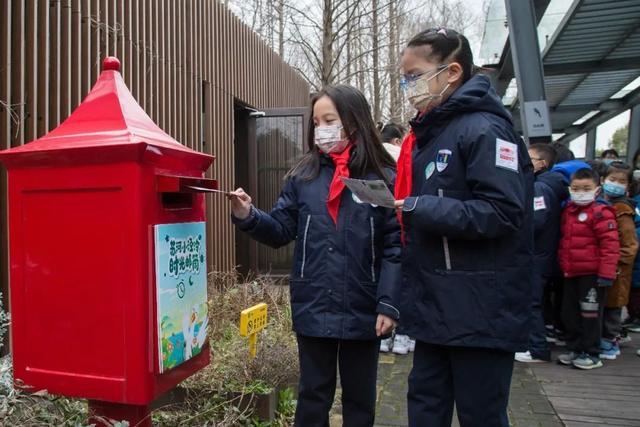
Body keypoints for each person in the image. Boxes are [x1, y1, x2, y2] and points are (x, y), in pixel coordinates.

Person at [229, 85, 401, 427]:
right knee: (313, 395)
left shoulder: (382, 177)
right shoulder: (302, 176)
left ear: (353, 122)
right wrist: (248, 215)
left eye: (330, 120)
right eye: (317, 122)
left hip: (363, 305)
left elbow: (395, 246)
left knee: (360, 399)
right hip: (314, 301)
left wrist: (388, 303)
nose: (322, 129)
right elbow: (280, 229)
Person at [393, 27, 533, 426]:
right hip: (437, 305)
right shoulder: (434, 132)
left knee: (481, 414)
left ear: (452, 72)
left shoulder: (485, 130)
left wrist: (421, 208)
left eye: (415, 75)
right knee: (424, 406)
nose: (408, 86)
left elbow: (504, 211)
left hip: (481, 310)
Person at [557, 168, 620, 370]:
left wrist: (606, 274)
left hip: (592, 275)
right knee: (570, 313)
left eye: (586, 188)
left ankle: (592, 352)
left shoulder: (602, 212)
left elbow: (610, 246)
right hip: (571, 272)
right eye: (576, 188)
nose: (580, 192)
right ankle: (574, 348)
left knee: (590, 314)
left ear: (597, 189)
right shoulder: (568, 210)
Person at [515, 143, 568, 363]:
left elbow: (534, 221)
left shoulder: (540, 188)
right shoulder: (548, 185)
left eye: (529, 158)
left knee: (531, 301)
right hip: (543, 254)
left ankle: (537, 348)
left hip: (536, 255)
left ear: (542, 164)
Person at [378, 121, 415, 355]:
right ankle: (402, 336)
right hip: (407, 224)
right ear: (396, 141)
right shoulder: (403, 155)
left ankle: (384, 337)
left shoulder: (368, 158)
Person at [599, 162, 638, 359]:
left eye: (621, 181)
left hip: (617, 270)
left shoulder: (623, 211)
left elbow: (630, 246)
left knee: (612, 308)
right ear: (602, 180)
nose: (615, 184)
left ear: (628, 186)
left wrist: (615, 263)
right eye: (612, 179)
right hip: (602, 266)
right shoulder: (600, 204)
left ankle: (610, 342)